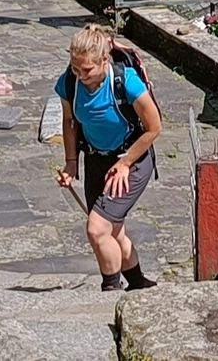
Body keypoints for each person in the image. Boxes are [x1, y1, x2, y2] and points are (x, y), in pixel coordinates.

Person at [54, 24, 161, 292]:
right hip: (96, 160)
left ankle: (109, 293)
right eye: (76, 68)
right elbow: (69, 122)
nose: (81, 75)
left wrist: (125, 163)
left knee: (97, 229)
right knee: (112, 231)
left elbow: (154, 127)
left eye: (87, 70)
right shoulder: (69, 82)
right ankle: (139, 285)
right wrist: (70, 162)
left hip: (133, 157)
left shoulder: (127, 81)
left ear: (104, 60)